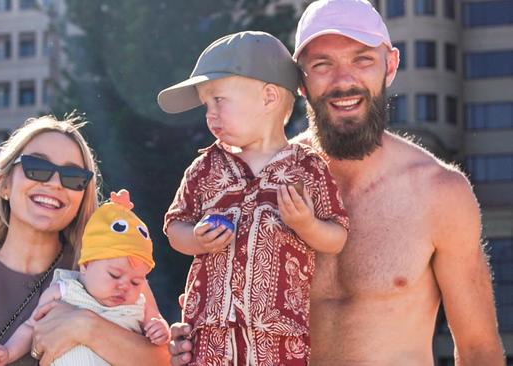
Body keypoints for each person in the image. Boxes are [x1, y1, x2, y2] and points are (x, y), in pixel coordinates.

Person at [168, 1, 505, 365]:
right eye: (322, 65)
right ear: (299, 82)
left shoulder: (440, 193)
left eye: (362, 60)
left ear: (389, 65)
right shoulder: (251, 183)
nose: (344, 81)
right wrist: (192, 339)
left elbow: (479, 350)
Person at [157, 31, 349, 365]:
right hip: (210, 335)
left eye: (219, 100)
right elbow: (175, 227)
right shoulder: (206, 168)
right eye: (206, 105)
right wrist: (197, 241)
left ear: (269, 97)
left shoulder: (306, 167)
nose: (210, 114)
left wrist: (306, 224)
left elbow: (337, 237)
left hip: (279, 338)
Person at [0, 115, 170, 366]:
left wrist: (85, 325)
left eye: (72, 176)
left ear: (83, 196)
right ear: (4, 184)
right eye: (37, 168)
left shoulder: (116, 269)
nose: (55, 183)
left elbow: (162, 362)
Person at [0, 189, 170, 366]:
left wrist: (160, 330)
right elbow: (31, 327)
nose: (125, 286)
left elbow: (158, 331)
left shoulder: (138, 302)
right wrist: (7, 351)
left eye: (136, 281)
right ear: (85, 265)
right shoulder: (64, 290)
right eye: (114, 275)